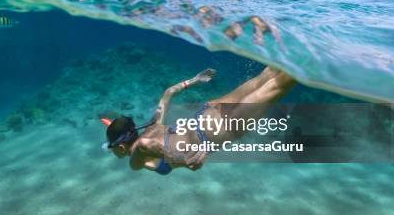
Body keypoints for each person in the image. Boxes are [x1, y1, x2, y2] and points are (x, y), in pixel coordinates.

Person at [101, 66, 296, 175]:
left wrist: (187, 160)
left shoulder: (138, 153)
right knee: (266, 77)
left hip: (216, 131)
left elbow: (143, 146)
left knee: (276, 87)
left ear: (120, 147)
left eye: (111, 148)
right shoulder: (154, 123)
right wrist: (195, 80)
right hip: (207, 111)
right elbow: (168, 93)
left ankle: (317, 60)